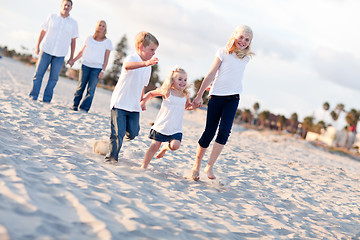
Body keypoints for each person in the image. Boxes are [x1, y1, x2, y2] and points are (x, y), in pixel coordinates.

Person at [191, 25, 254, 180]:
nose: (243, 41)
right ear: (234, 36)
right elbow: (212, 73)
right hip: (216, 96)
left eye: (247, 39)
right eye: (241, 37)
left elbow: (232, 76)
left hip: (233, 98)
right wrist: (199, 95)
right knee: (209, 132)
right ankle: (196, 166)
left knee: (225, 131)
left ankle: (209, 166)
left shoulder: (245, 58)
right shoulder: (223, 52)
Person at [105, 31, 159, 164]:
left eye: (155, 50)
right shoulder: (132, 58)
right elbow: (128, 67)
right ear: (141, 47)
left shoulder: (148, 67)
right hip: (120, 103)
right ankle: (112, 158)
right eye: (151, 49)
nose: (154, 53)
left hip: (134, 105)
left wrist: (142, 101)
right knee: (118, 134)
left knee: (134, 132)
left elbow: (143, 86)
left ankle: (113, 144)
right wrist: (145, 64)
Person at [140, 67, 196, 169]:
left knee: (175, 146)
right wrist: (143, 101)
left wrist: (195, 106)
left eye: (185, 80)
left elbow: (187, 106)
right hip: (162, 125)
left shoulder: (186, 94)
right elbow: (151, 93)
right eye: (180, 79)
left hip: (175, 128)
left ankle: (165, 147)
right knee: (154, 146)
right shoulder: (167, 91)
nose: (183, 82)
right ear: (172, 80)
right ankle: (144, 166)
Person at [29, 0, 78, 103]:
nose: (66, 7)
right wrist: (37, 46)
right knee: (38, 74)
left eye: (68, 6)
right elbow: (43, 31)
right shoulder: (52, 16)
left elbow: (73, 41)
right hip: (46, 50)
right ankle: (33, 96)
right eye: (65, 5)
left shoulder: (73, 23)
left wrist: (72, 57)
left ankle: (46, 99)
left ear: (71, 8)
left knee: (54, 78)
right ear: (61, 6)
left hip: (60, 55)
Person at [68, 20, 112, 112]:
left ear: (105, 28)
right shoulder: (89, 38)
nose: (101, 27)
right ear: (97, 26)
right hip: (85, 66)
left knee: (91, 90)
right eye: (100, 25)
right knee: (81, 86)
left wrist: (103, 70)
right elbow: (82, 52)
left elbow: (106, 58)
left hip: (97, 68)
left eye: (103, 26)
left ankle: (84, 108)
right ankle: (75, 105)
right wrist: (73, 60)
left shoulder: (107, 42)